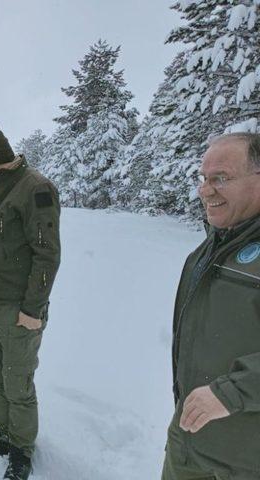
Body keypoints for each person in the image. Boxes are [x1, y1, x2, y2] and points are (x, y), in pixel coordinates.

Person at [162, 132, 260, 480]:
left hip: (245, 461)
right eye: (204, 178)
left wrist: (230, 393)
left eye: (221, 178)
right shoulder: (208, 250)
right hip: (188, 444)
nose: (206, 190)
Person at [0, 126, 61, 480]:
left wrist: (32, 310)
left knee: (17, 384)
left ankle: (21, 452)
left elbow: (47, 255)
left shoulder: (35, 188)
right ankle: (3, 439)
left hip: (19, 309)